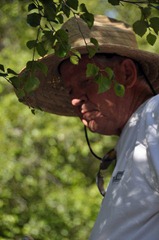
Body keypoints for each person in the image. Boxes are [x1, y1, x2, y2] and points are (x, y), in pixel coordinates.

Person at [19, 15, 159, 239]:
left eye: (86, 81)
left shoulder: (155, 114)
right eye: (70, 91)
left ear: (127, 73)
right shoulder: (135, 133)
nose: (75, 100)